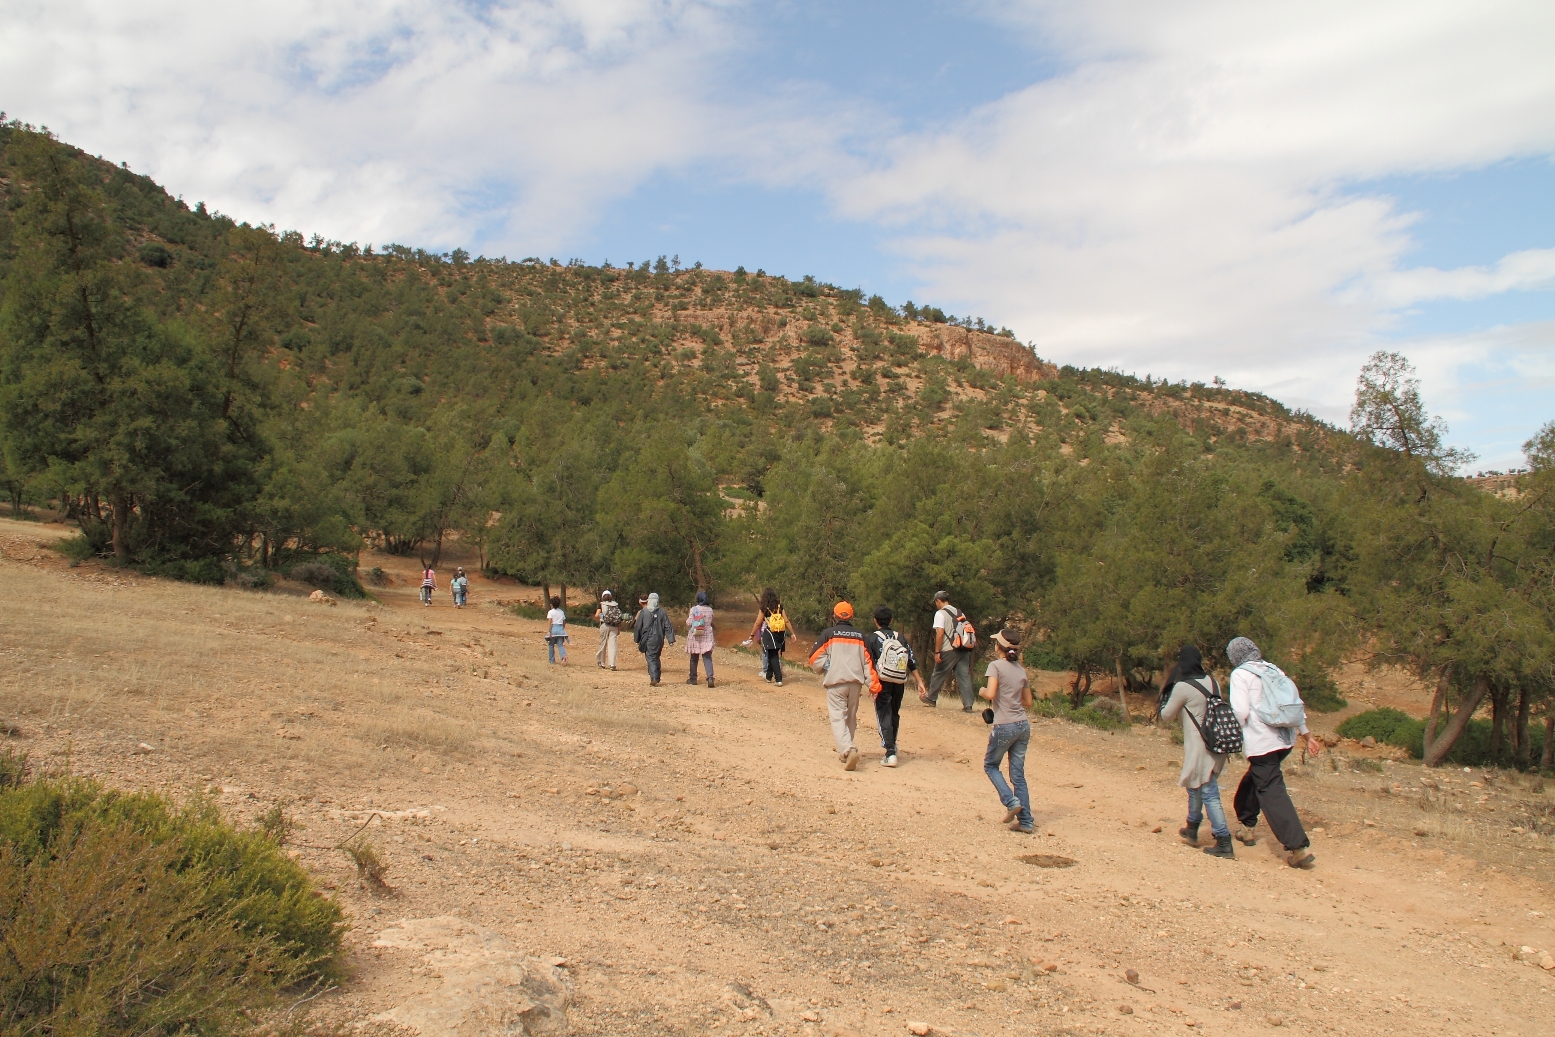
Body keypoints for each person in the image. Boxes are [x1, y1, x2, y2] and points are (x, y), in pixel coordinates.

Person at [1226, 636, 1322, 869]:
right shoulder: (1273, 669)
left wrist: (1231, 733)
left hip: (1262, 743)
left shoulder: (1240, 674)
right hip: (1285, 741)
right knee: (1255, 780)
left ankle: (1298, 848)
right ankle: (1247, 827)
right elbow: (1294, 705)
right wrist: (1307, 735)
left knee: (1272, 792)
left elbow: (1240, 712)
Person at [1158, 646, 1235, 859]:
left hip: (1199, 746)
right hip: (1216, 744)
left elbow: (1166, 715)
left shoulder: (1183, 687)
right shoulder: (1212, 682)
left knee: (1208, 790)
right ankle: (1192, 827)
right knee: (1196, 786)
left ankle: (1223, 840)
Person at [809, 601, 882, 770]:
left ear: (834, 616)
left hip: (836, 682)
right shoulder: (861, 636)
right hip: (855, 684)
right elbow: (868, 664)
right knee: (850, 718)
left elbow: (814, 658)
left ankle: (848, 750)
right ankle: (847, 750)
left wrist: (828, 666)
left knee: (837, 717)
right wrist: (874, 687)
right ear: (851, 616)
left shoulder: (828, 634)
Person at [980, 626, 1034, 833]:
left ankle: (1010, 802)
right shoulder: (1021, 670)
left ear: (999, 647)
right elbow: (1028, 701)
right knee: (1018, 775)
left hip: (1004, 725)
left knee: (991, 766)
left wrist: (982, 690)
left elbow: (991, 693)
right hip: (1022, 724)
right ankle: (1026, 821)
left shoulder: (995, 666)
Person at [865, 606, 928, 767]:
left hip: (882, 681)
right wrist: (920, 682)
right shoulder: (900, 637)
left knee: (883, 714)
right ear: (891, 620)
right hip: (899, 681)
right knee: (894, 713)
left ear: (875, 621)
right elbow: (910, 660)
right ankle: (892, 744)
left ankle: (890, 752)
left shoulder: (872, 638)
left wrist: (871, 685)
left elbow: (868, 663)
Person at [926, 590, 976, 712]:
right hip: (963, 649)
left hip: (948, 648)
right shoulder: (959, 612)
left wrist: (937, 652)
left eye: (936, 602)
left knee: (939, 672)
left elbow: (940, 633)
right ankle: (968, 705)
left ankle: (931, 698)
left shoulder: (940, 614)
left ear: (938, 601)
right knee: (964, 676)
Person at [744, 588, 788, 687]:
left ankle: (778, 679)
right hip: (780, 633)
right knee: (773, 653)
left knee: (772, 655)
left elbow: (757, 623)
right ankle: (768, 676)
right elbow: (787, 621)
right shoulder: (780, 607)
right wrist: (793, 633)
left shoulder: (764, 608)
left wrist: (751, 635)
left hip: (770, 633)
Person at [633, 592, 675, 686]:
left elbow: (638, 627)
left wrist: (637, 639)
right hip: (660, 639)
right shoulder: (662, 612)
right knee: (656, 656)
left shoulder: (644, 612)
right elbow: (668, 626)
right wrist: (671, 639)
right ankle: (657, 675)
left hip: (648, 639)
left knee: (650, 657)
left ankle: (654, 677)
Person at [685, 591, 716, 687]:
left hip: (695, 636)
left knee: (694, 659)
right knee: (707, 658)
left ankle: (693, 678)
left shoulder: (694, 609)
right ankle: (710, 678)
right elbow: (711, 622)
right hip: (707, 636)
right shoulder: (710, 610)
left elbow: (689, 623)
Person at [594, 591, 623, 670]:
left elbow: (596, 615)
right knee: (612, 645)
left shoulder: (601, 604)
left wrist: (600, 620)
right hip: (614, 627)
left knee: (603, 644)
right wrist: (619, 629)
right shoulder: (615, 604)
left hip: (605, 625)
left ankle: (602, 663)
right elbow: (619, 617)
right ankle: (612, 664)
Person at [544, 596, 569, 664]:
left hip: (554, 629)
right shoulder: (561, 612)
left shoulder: (550, 612)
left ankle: (552, 661)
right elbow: (564, 622)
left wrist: (549, 631)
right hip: (560, 630)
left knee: (551, 645)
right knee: (560, 645)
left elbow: (550, 621)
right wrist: (562, 629)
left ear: (551, 604)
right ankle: (563, 656)